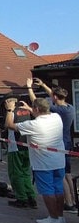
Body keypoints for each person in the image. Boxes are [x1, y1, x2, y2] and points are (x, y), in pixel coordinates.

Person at [6, 98, 65, 223]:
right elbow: (41, 115)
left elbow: (10, 125)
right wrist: (30, 109)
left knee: (47, 191)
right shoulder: (56, 117)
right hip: (59, 160)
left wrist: (10, 109)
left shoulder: (33, 125)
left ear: (37, 109)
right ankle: (60, 216)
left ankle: (53, 218)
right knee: (58, 189)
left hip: (43, 163)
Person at [28, 78, 77, 213]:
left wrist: (29, 88)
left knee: (61, 176)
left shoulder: (56, 111)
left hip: (59, 144)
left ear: (55, 97)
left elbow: (37, 104)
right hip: (68, 142)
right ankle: (73, 200)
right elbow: (54, 95)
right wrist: (44, 85)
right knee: (67, 174)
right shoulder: (70, 107)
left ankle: (69, 202)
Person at [0, 93, 37, 209]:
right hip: (28, 145)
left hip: (15, 146)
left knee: (16, 173)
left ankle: (21, 198)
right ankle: (31, 196)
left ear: (7, 102)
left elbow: (4, 127)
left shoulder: (11, 112)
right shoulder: (26, 110)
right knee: (26, 173)